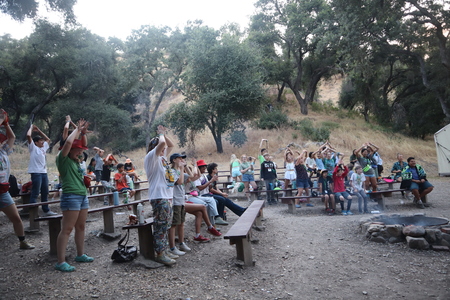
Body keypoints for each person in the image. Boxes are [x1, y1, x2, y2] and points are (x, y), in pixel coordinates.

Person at [55, 119, 94, 272]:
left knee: (81, 226)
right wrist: (76, 130)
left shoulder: (76, 161)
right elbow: (69, 143)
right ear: (69, 150)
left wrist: (82, 132)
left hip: (82, 195)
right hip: (71, 196)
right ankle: (60, 261)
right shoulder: (63, 159)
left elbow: (82, 143)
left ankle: (80, 254)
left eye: (81, 151)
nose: (80, 152)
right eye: (77, 150)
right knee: (67, 229)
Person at [0, 109, 35, 250]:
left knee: (16, 218)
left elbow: (12, 137)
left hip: (3, 190)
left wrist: (6, 124)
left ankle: (22, 242)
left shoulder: (3, 151)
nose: (3, 142)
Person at [144, 125, 177, 265]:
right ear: (154, 147)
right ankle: (159, 253)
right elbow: (163, 143)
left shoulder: (162, 159)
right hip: (159, 197)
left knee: (166, 225)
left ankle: (163, 250)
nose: (164, 149)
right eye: (160, 147)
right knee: (161, 226)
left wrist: (164, 134)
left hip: (166, 196)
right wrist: (161, 134)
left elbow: (170, 145)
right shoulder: (151, 157)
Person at [26, 124, 56, 216]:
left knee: (45, 191)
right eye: (40, 141)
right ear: (35, 142)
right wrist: (31, 128)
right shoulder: (33, 148)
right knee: (35, 192)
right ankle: (33, 213)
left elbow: (48, 139)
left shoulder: (43, 148)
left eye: (42, 141)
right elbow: (28, 136)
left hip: (44, 172)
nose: (43, 142)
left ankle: (46, 210)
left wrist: (39, 130)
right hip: (36, 172)